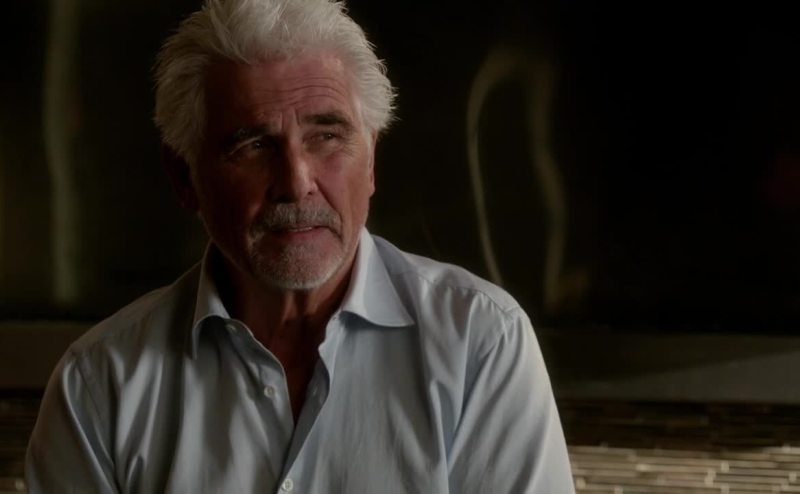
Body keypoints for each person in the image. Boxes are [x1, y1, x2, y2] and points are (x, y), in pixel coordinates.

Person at [25, 0, 575, 492]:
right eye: (253, 145)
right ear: (185, 178)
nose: (296, 180)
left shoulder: (481, 341)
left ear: (371, 158)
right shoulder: (98, 384)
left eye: (327, 136)